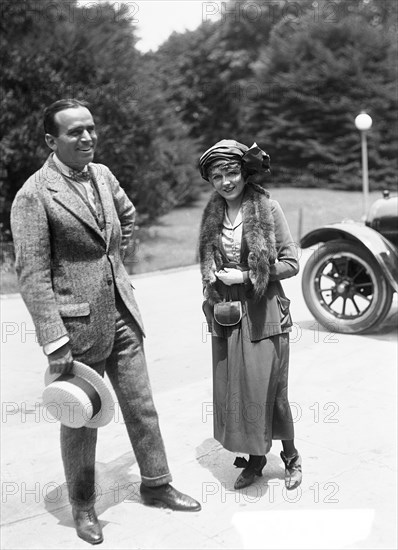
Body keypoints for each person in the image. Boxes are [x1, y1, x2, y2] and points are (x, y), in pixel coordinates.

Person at [10, 98, 201, 545]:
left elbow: (127, 215)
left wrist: (114, 262)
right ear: (50, 140)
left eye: (91, 129)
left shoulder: (103, 174)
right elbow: (32, 274)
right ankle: (82, 507)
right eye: (75, 131)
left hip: (122, 313)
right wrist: (54, 339)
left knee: (141, 404)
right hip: (75, 329)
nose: (87, 138)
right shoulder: (34, 194)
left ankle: (157, 484)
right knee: (81, 419)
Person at [198, 139, 302, 491]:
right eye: (217, 176)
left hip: (265, 311)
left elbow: (290, 262)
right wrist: (213, 278)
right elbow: (208, 260)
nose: (226, 182)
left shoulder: (267, 208)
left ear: (244, 171)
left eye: (231, 172)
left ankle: (290, 457)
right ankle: (256, 459)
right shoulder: (213, 214)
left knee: (271, 389)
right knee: (236, 389)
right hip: (227, 313)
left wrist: (247, 275)